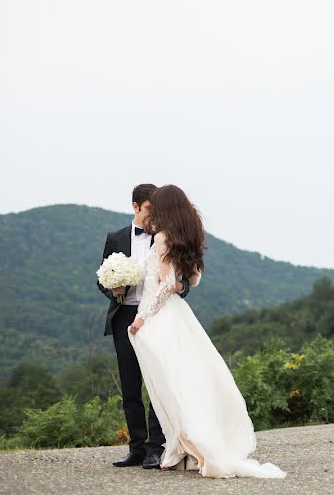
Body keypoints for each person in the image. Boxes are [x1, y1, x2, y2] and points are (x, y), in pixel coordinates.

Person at [128, 184, 285, 479]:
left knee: (168, 383)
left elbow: (164, 284)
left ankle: (180, 447)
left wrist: (142, 319)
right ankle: (182, 448)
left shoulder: (162, 237)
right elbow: (194, 280)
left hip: (159, 314)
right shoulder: (183, 237)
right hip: (177, 313)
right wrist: (176, 285)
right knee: (183, 380)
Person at [97, 184, 191, 469]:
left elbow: (184, 279)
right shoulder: (115, 238)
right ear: (136, 207)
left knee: (158, 382)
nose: (154, 215)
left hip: (156, 317)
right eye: (150, 209)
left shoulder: (166, 238)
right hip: (124, 316)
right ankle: (136, 448)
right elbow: (101, 278)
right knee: (130, 386)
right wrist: (114, 290)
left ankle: (155, 448)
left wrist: (180, 287)